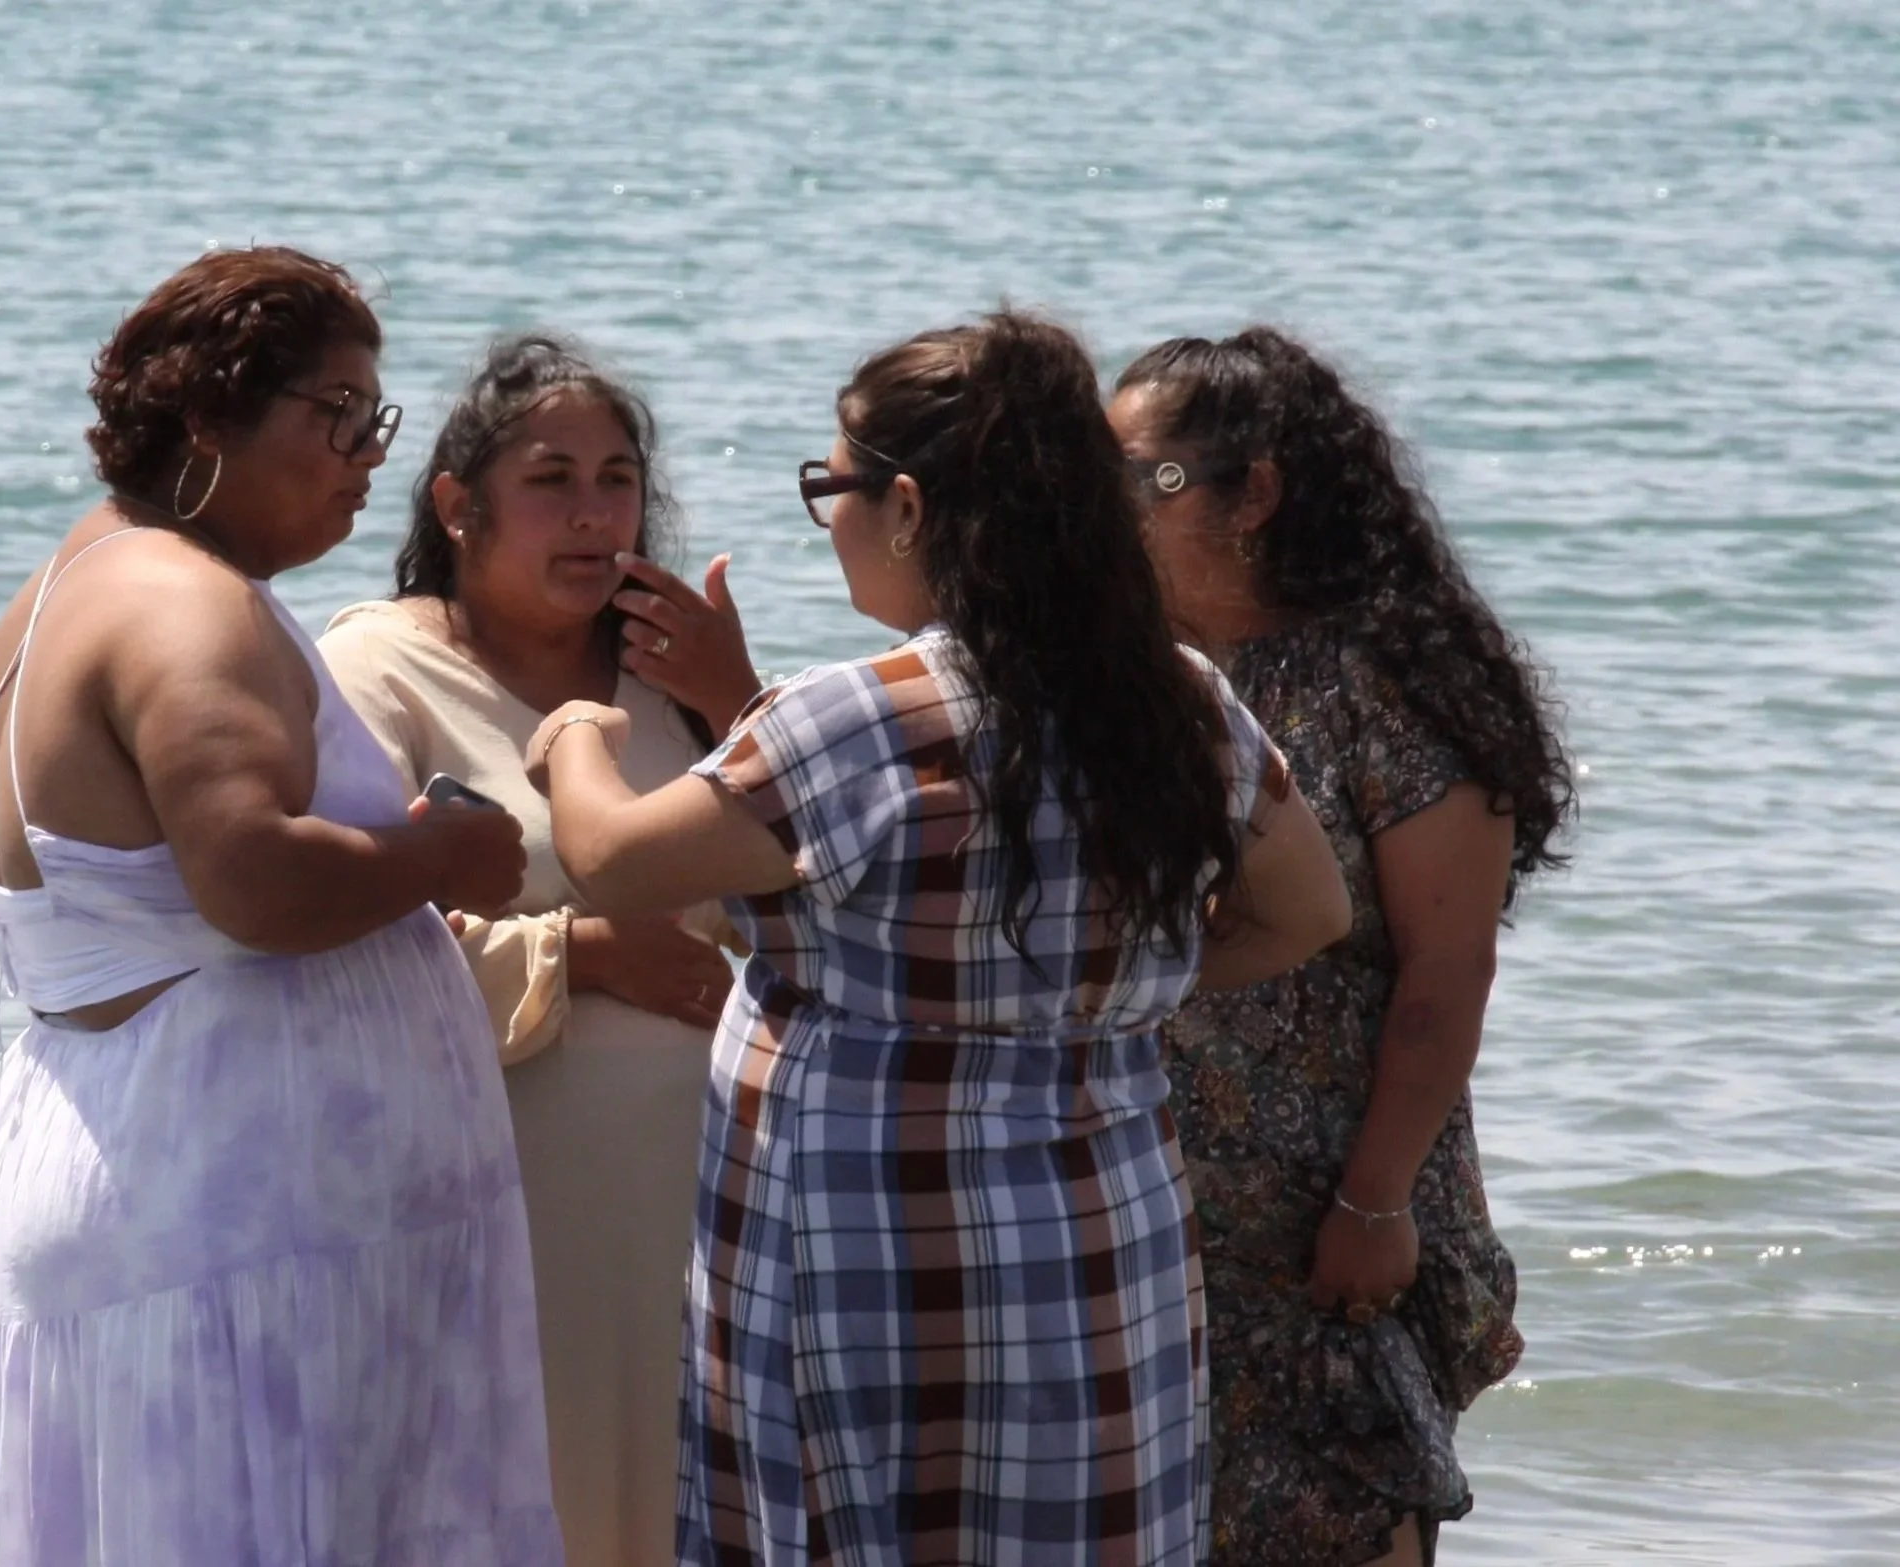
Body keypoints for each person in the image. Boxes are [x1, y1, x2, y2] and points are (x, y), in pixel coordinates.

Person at [525, 310, 1353, 1567]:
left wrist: (571, 740)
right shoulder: (1177, 699)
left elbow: (611, 859)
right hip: (1095, 1239)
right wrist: (1091, 992)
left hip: (863, 1250)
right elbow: (1308, 912)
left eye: (830, 485)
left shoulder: (853, 715)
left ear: (905, 505)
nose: (829, 514)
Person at [0, 247, 561, 1567]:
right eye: (335, 415)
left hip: (154, 1173)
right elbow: (254, 880)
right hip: (227, 1218)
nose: (362, 455)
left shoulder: (74, 582)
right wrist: (441, 847)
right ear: (209, 417)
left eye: (372, 421)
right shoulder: (184, 604)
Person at [1108, 327, 1577, 1566]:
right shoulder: (1138, 681)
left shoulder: (1384, 681)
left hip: (1328, 1202)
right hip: (1142, 1202)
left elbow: (1444, 970)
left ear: (1251, 494)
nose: (1100, 514)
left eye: (1133, 481)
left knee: (1339, 1507)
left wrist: (1372, 1199)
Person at [316, 334, 759, 1567]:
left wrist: (742, 703)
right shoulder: (376, 669)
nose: (591, 513)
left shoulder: (677, 678)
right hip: (492, 1202)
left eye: (615, 479)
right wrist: (586, 956)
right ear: (458, 505)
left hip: (704, 1205)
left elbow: (822, 890)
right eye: (550, 480)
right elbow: (337, 953)